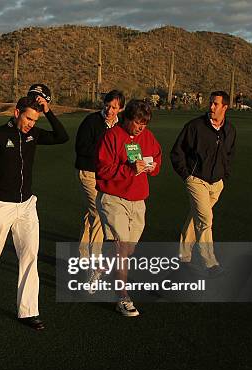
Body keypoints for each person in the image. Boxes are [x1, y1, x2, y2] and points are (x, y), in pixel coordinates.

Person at [0, 86, 69, 331]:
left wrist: (49, 111)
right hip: (2, 205)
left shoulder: (34, 135)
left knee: (29, 255)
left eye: (35, 119)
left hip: (26, 205)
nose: (31, 124)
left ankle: (28, 311)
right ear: (16, 112)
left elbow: (62, 136)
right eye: (28, 118)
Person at [95, 99, 161, 317]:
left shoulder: (147, 136)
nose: (141, 127)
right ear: (127, 118)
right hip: (114, 198)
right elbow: (103, 170)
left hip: (138, 200)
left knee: (128, 250)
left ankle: (102, 265)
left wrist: (152, 166)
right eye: (137, 122)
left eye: (144, 123)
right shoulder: (111, 137)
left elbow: (157, 157)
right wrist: (130, 169)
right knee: (123, 248)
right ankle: (122, 297)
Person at [170, 91, 236, 274]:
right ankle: (210, 262)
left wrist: (224, 176)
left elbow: (229, 155)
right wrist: (187, 176)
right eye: (211, 103)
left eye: (216, 104)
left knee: (196, 217)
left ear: (225, 107)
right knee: (205, 219)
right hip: (196, 180)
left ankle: (183, 256)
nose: (211, 107)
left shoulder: (229, 130)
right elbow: (177, 152)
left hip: (217, 183)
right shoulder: (195, 126)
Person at [74, 90, 125, 282]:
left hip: (108, 174)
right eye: (107, 105)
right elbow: (81, 147)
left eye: (114, 107)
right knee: (98, 210)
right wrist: (106, 154)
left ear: (121, 108)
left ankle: (82, 256)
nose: (110, 110)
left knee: (91, 213)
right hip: (89, 172)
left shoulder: (121, 126)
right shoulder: (91, 121)